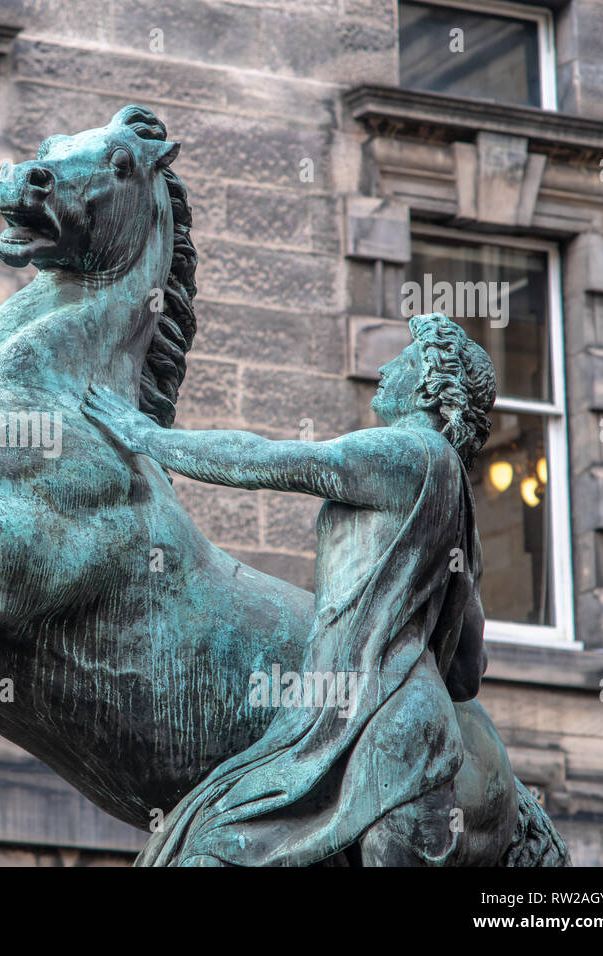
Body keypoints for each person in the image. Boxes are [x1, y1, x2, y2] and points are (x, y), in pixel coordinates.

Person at [83, 312, 498, 866]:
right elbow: (468, 671)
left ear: (427, 384)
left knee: (215, 846)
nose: (383, 367)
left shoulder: (407, 453)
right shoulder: (459, 501)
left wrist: (147, 438)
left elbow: (266, 462)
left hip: (380, 721)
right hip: (399, 715)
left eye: (402, 358)